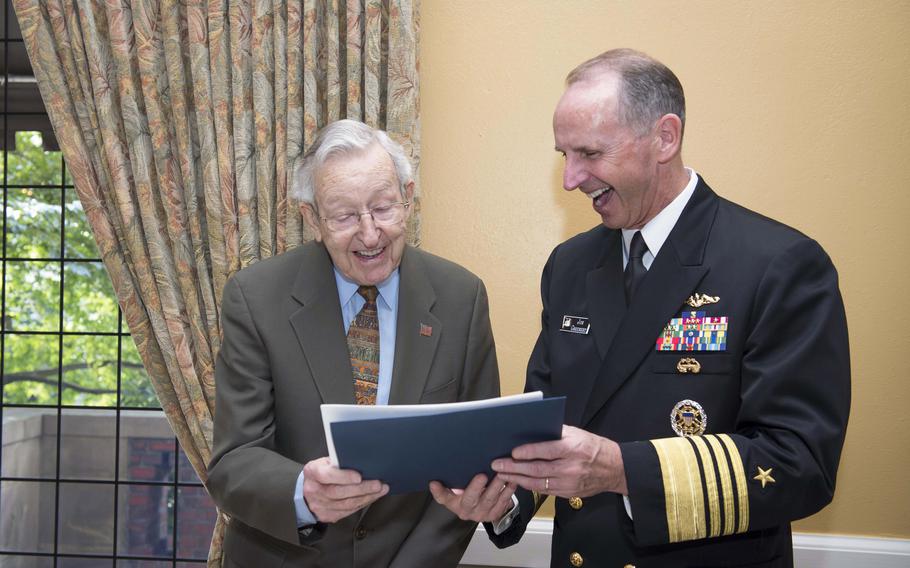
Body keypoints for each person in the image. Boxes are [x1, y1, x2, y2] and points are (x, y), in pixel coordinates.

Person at [432, 49, 850, 567]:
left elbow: (799, 463)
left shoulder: (779, 264)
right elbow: (546, 420)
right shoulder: (571, 264)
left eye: (589, 153)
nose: (570, 178)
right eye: (564, 154)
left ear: (665, 138)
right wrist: (503, 500)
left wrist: (620, 468)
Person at [208, 119, 500, 567]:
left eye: (384, 208)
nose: (369, 234)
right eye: (345, 216)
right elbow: (234, 461)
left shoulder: (462, 298)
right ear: (312, 218)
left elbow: (474, 464)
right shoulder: (256, 297)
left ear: (407, 196)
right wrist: (303, 492)